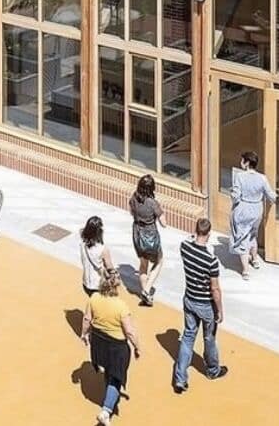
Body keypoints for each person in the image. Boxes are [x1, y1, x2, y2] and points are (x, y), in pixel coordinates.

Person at [173, 217, 228, 393]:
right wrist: (220, 310)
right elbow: (215, 289)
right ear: (209, 234)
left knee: (188, 337)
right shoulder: (211, 261)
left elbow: (188, 239)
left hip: (189, 299)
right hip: (206, 305)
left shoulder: (185, 248)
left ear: (196, 231)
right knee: (209, 338)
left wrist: (194, 235)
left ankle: (180, 378)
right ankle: (212, 370)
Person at [81, 271, 141, 425]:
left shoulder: (94, 298)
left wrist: (84, 334)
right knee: (116, 377)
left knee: (108, 369)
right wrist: (137, 347)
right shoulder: (121, 306)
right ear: (117, 286)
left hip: (99, 342)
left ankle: (109, 396)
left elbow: (87, 319)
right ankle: (106, 411)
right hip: (117, 347)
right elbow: (129, 331)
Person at [230, 150, 276, 278]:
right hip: (257, 209)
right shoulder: (262, 178)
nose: (241, 162)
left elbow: (236, 196)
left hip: (243, 209)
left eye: (242, 160)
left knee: (242, 239)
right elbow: (271, 195)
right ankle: (255, 260)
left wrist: (232, 194)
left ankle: (245, 270)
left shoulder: (240, 177)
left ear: (247, 163)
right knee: (252, 234)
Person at [128, 173, 164, 305]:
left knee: (143, 264)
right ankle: (147, 289)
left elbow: (131, 212)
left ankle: (145, 293)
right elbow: (164, 223)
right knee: (159, 261)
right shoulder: (153, 203)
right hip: (150, 236)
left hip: (137, 234)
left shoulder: (133, 198)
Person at [80, 215, 116, 297]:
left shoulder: (82, 245)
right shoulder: (103, 249)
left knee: (93, 301)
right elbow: (110, 268)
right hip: (99, 286)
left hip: (86, 284)